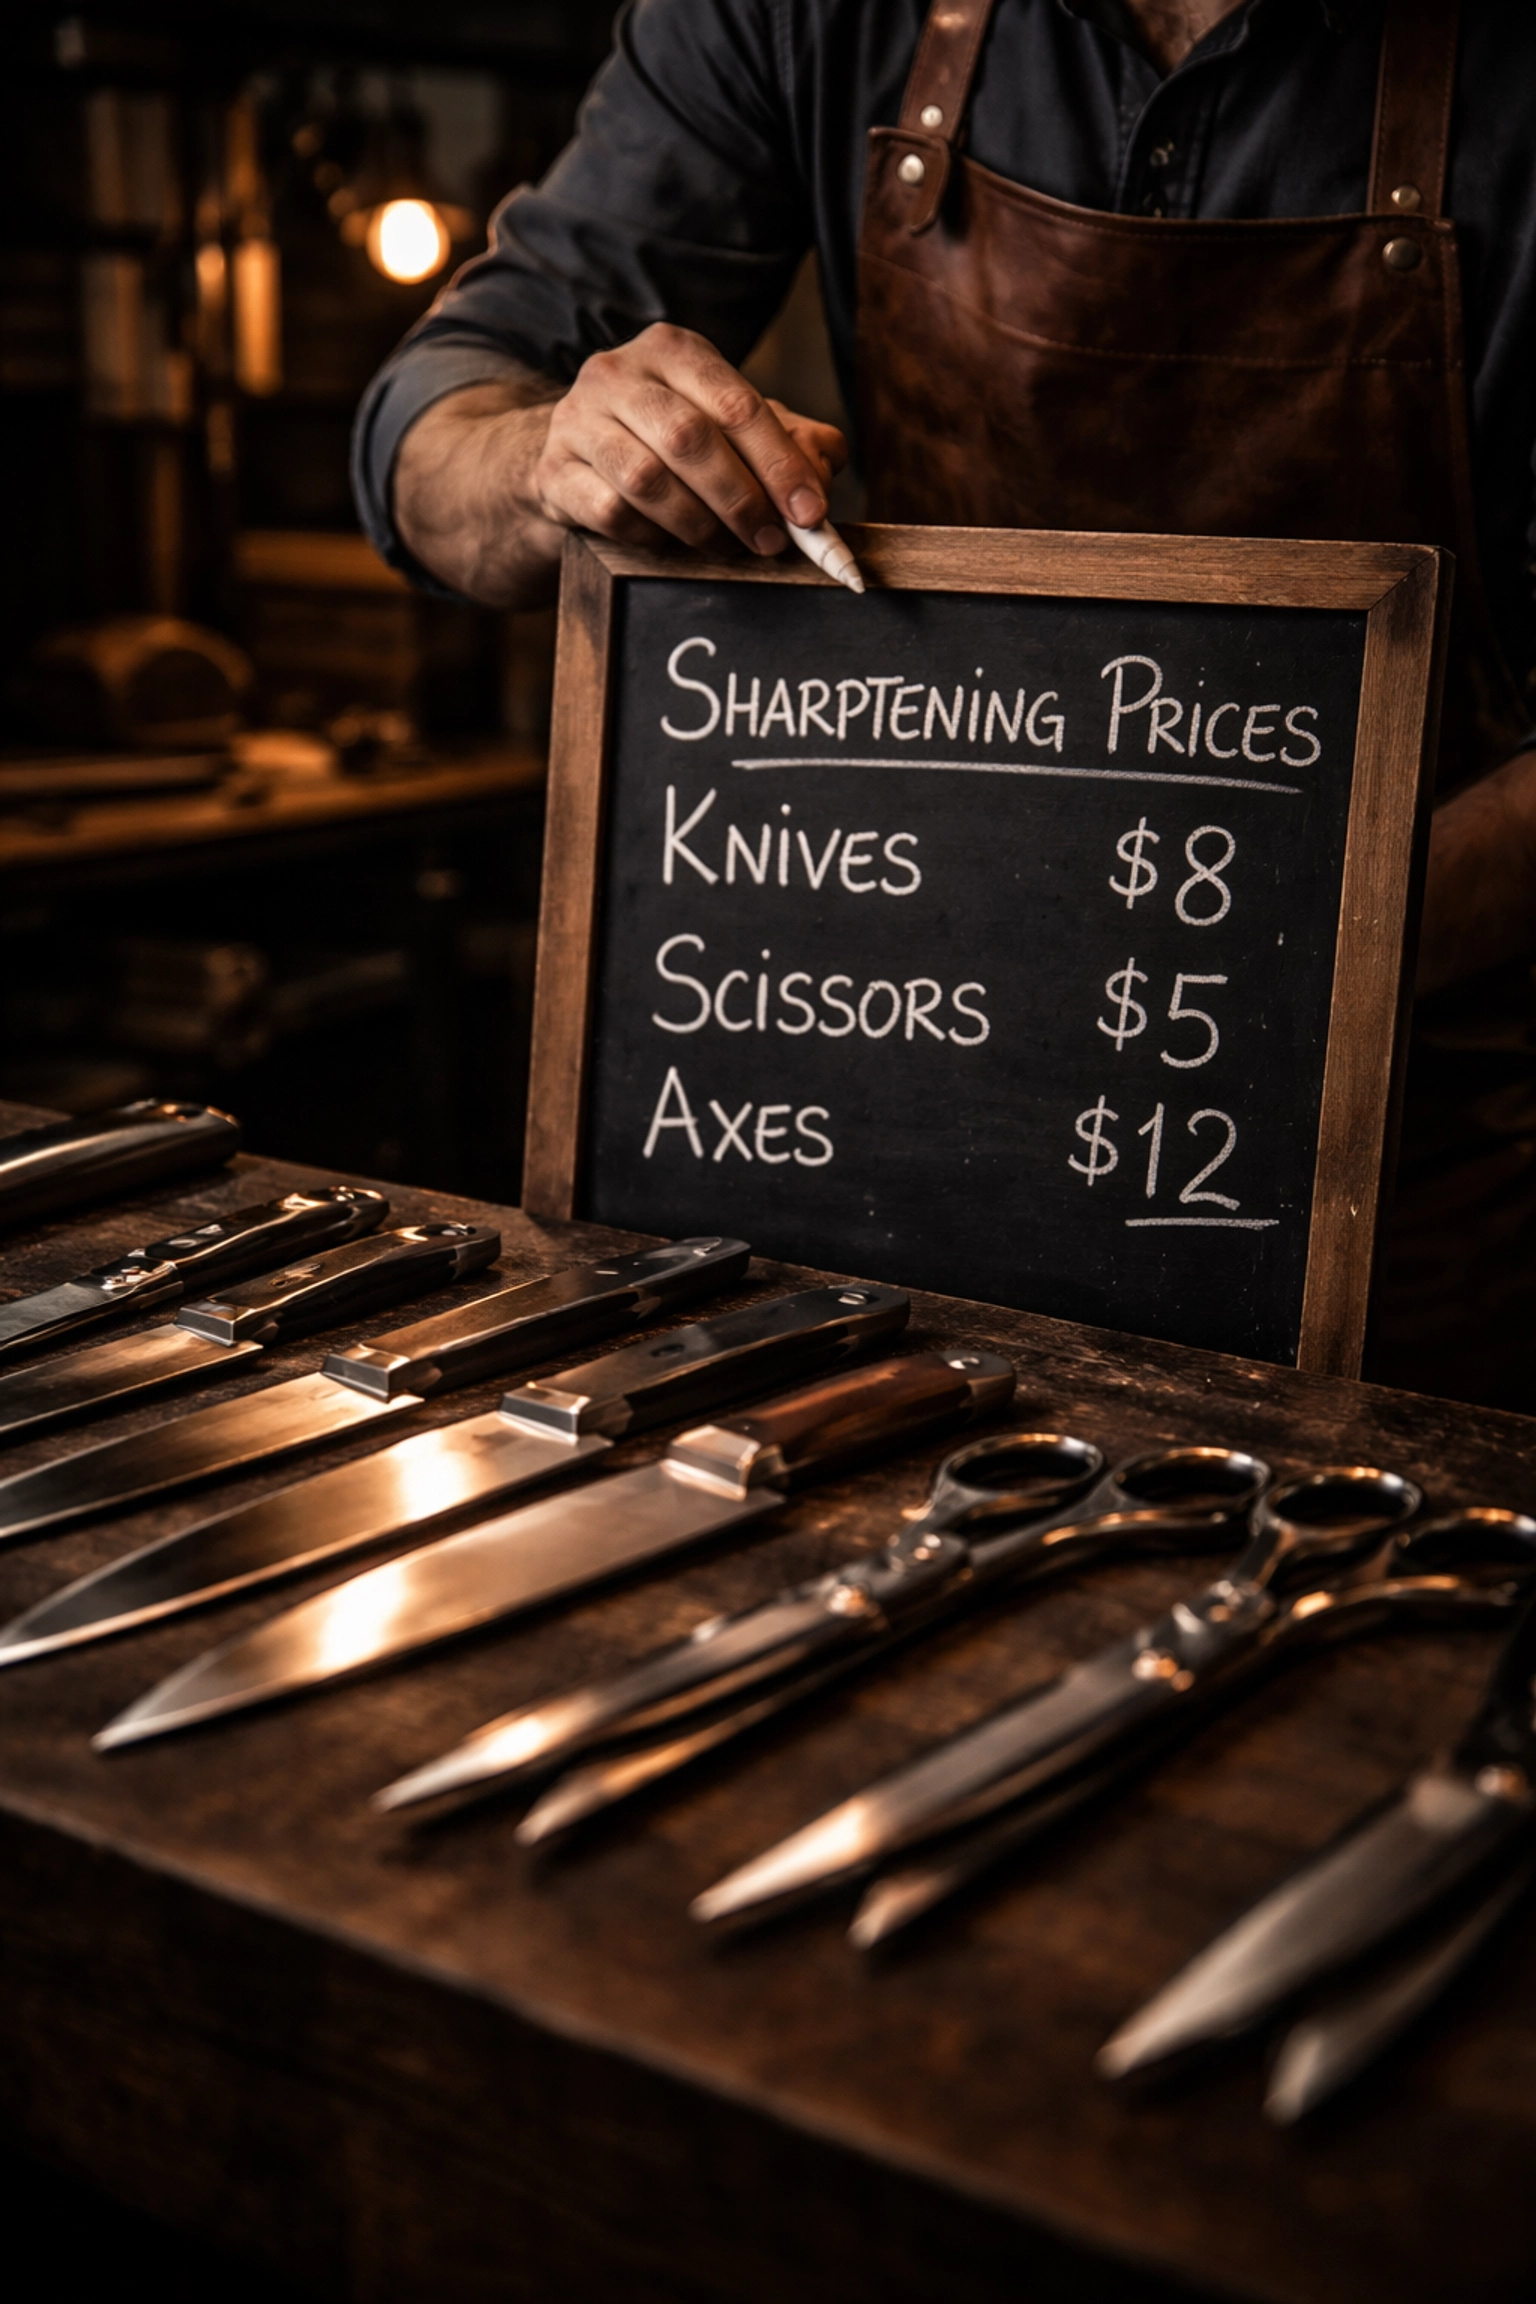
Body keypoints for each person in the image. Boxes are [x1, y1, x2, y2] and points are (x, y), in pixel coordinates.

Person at [354, 0, 1536, 1409]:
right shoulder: (790, 18)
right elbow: (428, 437)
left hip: (1438, 1181)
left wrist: (1313, 951)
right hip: (901, 1121)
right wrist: (546, 456)